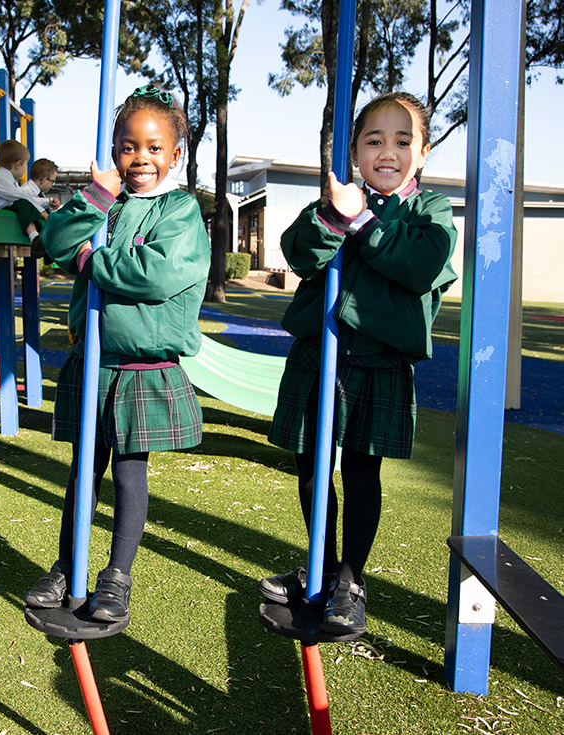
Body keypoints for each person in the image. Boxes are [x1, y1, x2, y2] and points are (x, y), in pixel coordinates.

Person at [259, 92, 458, 637]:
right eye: (373, 139)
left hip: (378, 359)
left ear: (421, 153)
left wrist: (365, 221)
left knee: (362, 470)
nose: (387, 151)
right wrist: (333, 214)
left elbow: (419, 264)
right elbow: (299, 252)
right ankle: (319, 565)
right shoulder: (334, 199)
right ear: (354, 149)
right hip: (320, 352)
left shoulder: (430, 211)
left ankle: (350, 578)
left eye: (402, 140)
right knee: (309, 467)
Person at [24, 85, 211, 625]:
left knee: (129, 475)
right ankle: (66, 565)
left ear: (175, 155)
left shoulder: (181, 211)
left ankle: (117, 576)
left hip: (140, 366)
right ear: (114, 150)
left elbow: (153, 275)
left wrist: (89, 262)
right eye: (129, 147)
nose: (141, 159)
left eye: (155, 148)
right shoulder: (106, 202)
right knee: (83, 472)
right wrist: (93, 201)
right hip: (93, 361)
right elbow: (55, 242)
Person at [0, 139, 50, 252]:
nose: (26, 168)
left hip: (2, 213)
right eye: (26, 164)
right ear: (18, 164)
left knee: (28, 205)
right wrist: (42, 212)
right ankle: (35, 238)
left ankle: (43, 242)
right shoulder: (1, 178)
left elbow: (26, 197)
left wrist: (47, 203)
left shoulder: (9, 179)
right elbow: (20, 197)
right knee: (23, 204)